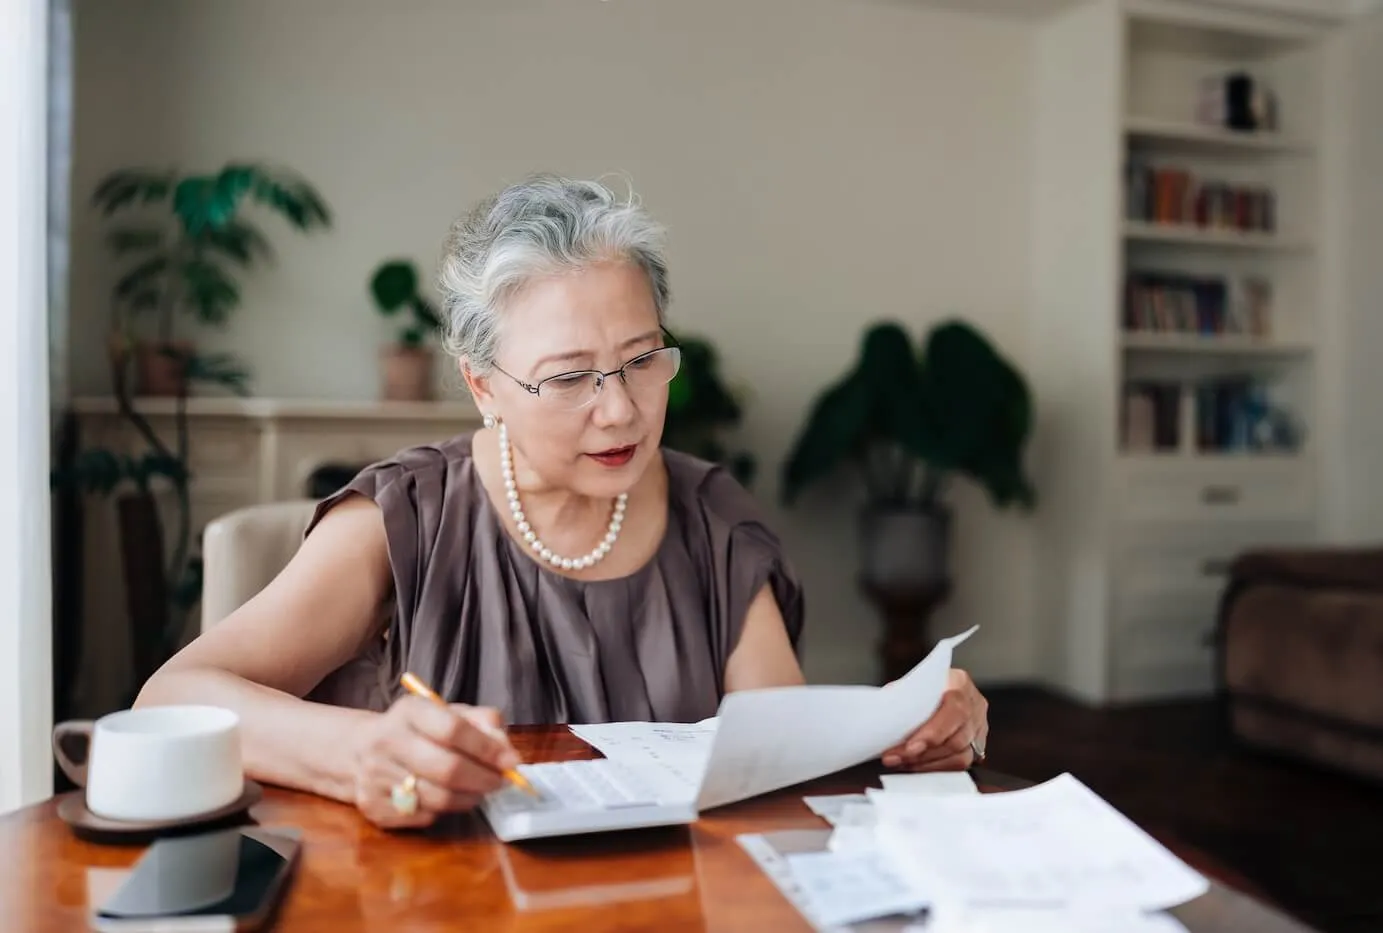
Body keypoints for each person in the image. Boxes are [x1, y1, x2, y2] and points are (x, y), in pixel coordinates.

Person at [135, 174, 990, 829]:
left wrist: (914, 725)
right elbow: (171, 699)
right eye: (569, 376)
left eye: (642, 359)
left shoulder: (716, 521)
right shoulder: (404, 521)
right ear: (483, 386)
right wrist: (358, 749)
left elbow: (784, 752)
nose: (619, 408)